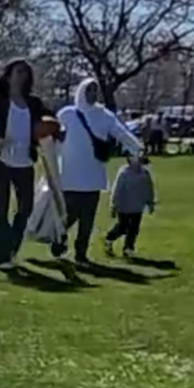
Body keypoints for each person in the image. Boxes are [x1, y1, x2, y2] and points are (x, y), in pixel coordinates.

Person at [54, 76, 143, 264]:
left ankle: (81, 254)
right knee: (69, 216)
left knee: (87, 218)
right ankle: (58, 243)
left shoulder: (104, 116)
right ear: (81, 92)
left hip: (92, 175)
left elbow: (121, 133)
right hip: (70, 175)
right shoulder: (67, 114)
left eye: (96, 90)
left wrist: (137, 148)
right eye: (89, 90)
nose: (93, 94)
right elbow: (54, 139)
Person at [0, 57, 52, 270]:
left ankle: (11, 246)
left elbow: (48, 123)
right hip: (1, 162)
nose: (23, 76)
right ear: (8, 75)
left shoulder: (34, 104)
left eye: (26, 73)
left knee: (26, 208)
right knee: (1, 208)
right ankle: (2, 257)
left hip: (24, 162)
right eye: (18, 72)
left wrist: (55, 131)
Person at [105, 152, 157, 258]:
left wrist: (150, 202)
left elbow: (149, 189)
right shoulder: (124, 173)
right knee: (123, 226)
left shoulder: (145, 174)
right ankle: (109, 238)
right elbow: (117, 190)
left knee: (134, 228)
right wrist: (114, 205)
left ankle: (128, 248)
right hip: (124, 205)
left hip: (137, 206)